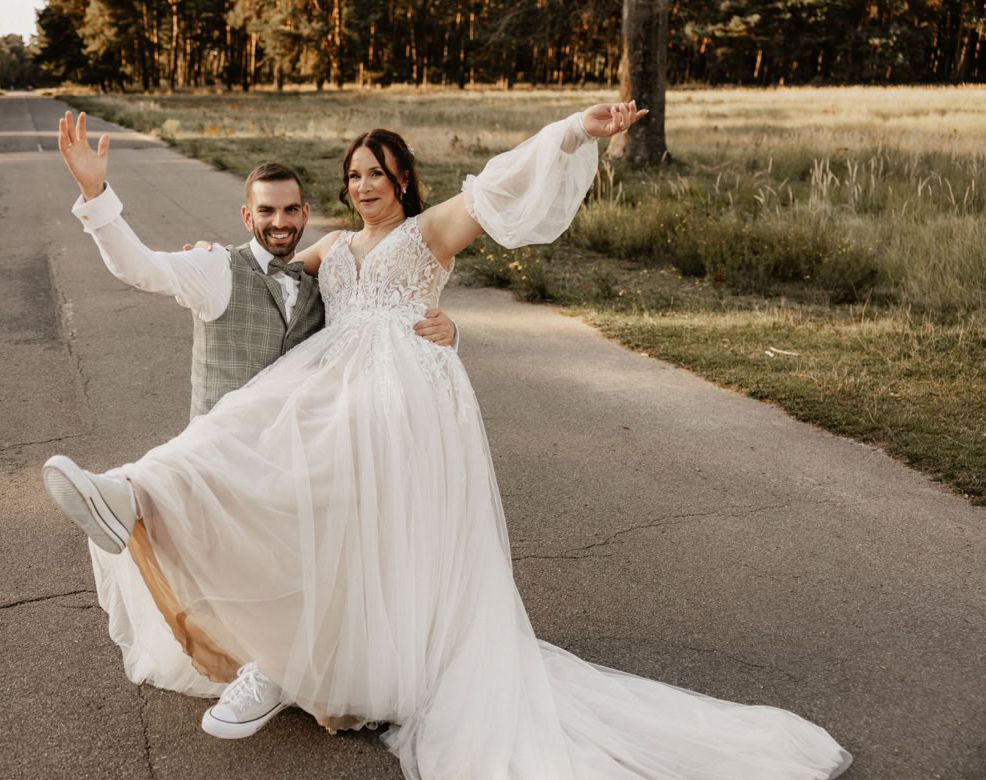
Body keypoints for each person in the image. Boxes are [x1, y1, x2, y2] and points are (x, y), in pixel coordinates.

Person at [44, 102, 852, 779]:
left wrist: (574, 130)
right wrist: (196, 254)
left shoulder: (430, 231)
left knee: (361, 515)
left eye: (378, 173)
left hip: (403, 390)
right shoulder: (331, 246)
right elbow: (270, 270)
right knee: (258, 444)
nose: (364, 185)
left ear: (403, 181)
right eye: (355, 174)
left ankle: (334, 658)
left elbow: (498, 185)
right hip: (332, 377)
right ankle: (144, 505)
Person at [54, 112, 458, 728]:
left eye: (291, 211)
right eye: (266, 212)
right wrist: (94, 194)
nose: (279, 222)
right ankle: (128, 494)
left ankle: (282, 668)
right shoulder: (216, 267)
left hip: (300, 440)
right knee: (242, 550)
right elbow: (137, 266)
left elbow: (384, 317)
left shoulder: (324, 270)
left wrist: (452, 327)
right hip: (230, 446)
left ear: (306, 215)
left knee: (316, 547)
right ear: (247, 217)